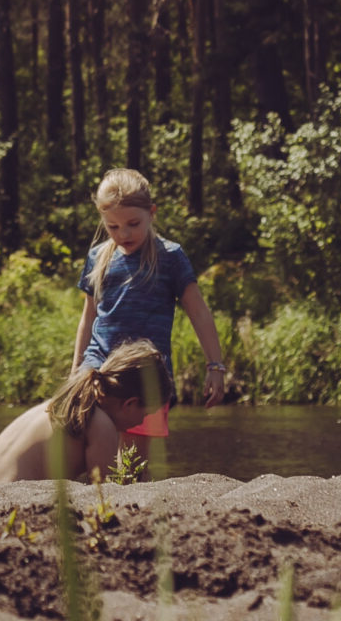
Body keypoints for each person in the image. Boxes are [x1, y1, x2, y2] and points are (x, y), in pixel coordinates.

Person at [68, 169, 228, 438]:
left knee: (135, 464)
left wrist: (215, 366)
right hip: (99, 366)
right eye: (113, 227)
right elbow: (88, 318)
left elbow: (198, 313)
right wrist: (76, 370)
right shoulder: (98, 257)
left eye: (133, 223)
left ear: (151, 213)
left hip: (147, 374)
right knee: (85, 436)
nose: (124, 233)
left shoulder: (170, 257)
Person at [0, 341, 167, 485]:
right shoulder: (101, 424)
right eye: (147, 413)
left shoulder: (67, 402)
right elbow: (105, 494)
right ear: (130, 403)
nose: (144, 420)